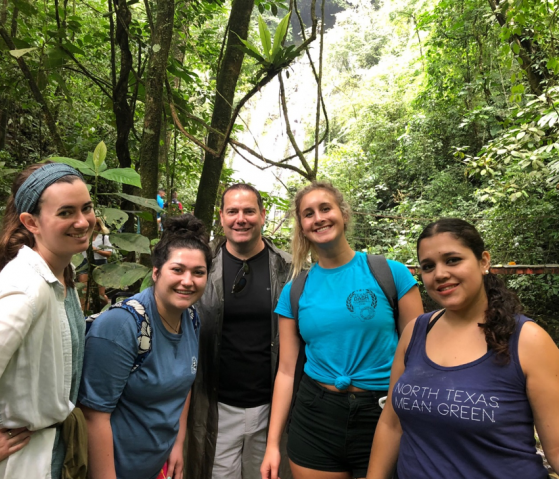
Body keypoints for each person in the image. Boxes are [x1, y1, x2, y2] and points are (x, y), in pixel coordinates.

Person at [367, 218, 559, 479]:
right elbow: (391, 424)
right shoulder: (415, 332)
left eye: (453, 259)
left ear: (483, 261)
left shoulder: (528, 341)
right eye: (428, 266)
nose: (440, 273)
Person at [261, 181, 424, 479]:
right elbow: (285, 371)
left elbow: (420, 359)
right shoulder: (294, 291)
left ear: (344, 214)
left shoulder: (392, 274)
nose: (318, 218)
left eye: (325, 208)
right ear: (301, 226)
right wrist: (272, 444)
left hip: (383, 415)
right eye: (308, 214)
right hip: (315, 418)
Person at [0, 162, 95, 479]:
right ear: (31, 222)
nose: (82, 221)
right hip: (13, 465)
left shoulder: (62, 276)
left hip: (46, 454)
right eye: (66, 212)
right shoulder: (26, 289)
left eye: (87, 208)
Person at [79, 214, 212, 479]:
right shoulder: (121, 326)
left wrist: (177, 443)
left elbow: (183, 383)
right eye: (178, 269)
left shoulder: (191, 317)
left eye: (198, 272)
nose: (188, 281)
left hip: (155, 466)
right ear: (156, 272)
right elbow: (94, 416)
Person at [185, 184, 294, 479]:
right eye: (232, 211)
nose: (240, 219)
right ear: (221, 217)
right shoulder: (199, 267)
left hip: (271, 408)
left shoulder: (289, 269)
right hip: (216, 407)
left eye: (249, 211)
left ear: (262, 216)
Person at [77, 217, 112, 308]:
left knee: (101, 295)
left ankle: (107, 309)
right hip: (85, 262)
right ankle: (84, 316)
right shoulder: (83, 237)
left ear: (99, 226)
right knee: (84, 293)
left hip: (100, 263)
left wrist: (96, 250)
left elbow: (108, 254)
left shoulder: (104, 238)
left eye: (95, 225)